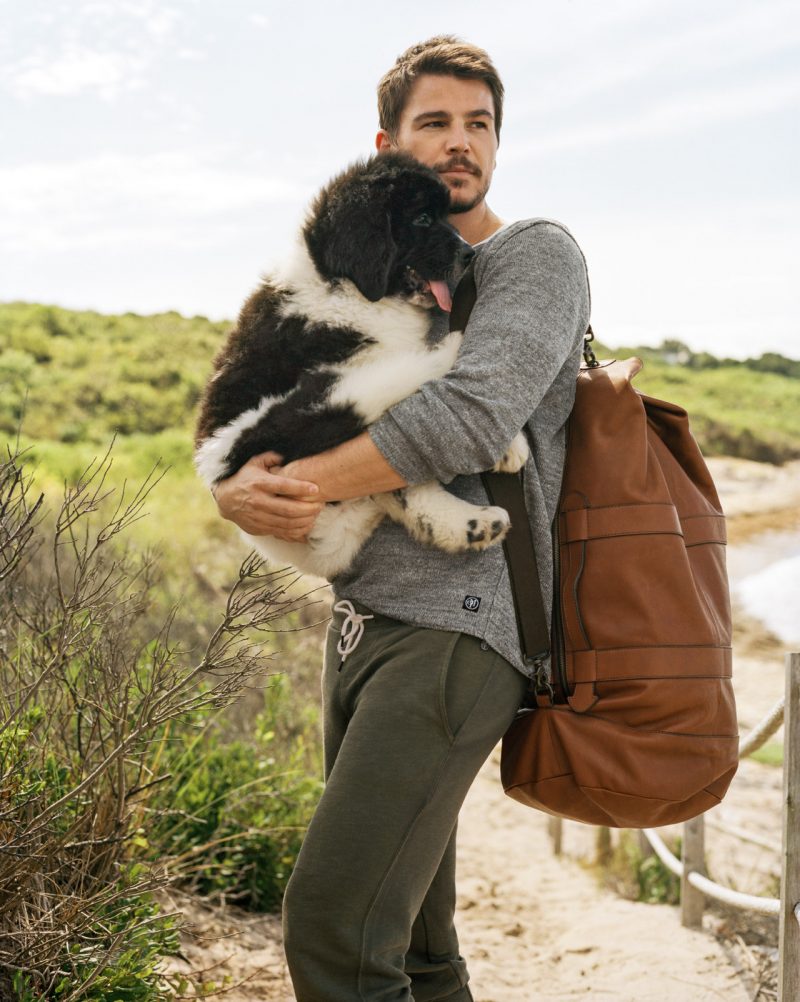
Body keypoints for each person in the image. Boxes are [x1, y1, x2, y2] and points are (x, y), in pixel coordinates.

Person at [212, 35, 590, 1002]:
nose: (460, 143)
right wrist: (234, 485)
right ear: (388, 141)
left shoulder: (532, 258)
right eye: (436, 123)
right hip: (363, 620)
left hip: (458, 633)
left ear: (499, 143)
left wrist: (302, 484)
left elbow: (462, 419)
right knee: (414, 950)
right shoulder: (379, 270)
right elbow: (274, 396)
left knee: (335, 934)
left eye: (480, 125)